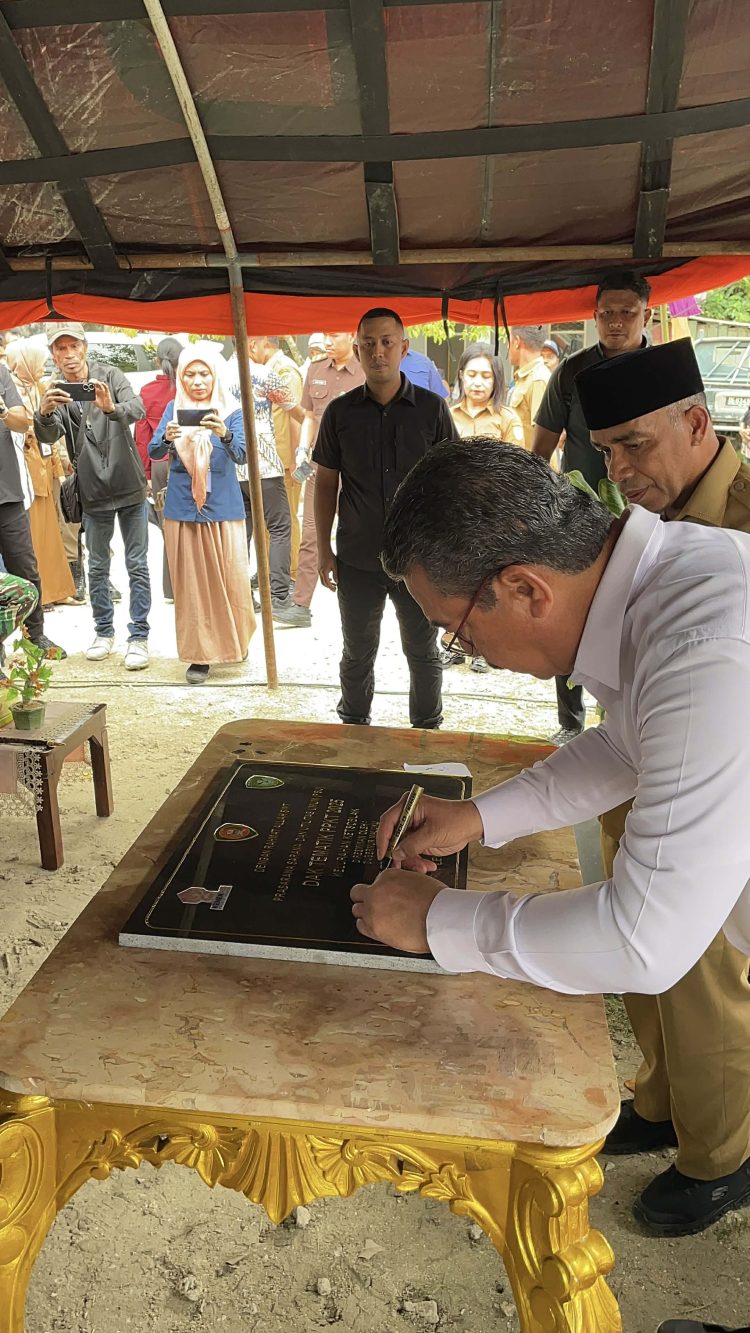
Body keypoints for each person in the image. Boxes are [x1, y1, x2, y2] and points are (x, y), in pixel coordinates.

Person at [350, 438, 750, 1233]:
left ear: (524, 587)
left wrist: (438, 921)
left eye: (458, 633)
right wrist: (480, 816)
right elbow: (630, 745)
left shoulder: (704, 645)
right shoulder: (667, 582)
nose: (472, 655)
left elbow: (644, 939)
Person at [570, 338, 750, 1234]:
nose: (621, 470)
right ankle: (661, 1099)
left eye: (634, 445)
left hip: (725, 782)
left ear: (695, 422)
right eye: (606, 452)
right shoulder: (646, 524)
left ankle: (722, 1155)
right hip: (637, 763)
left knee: (707, 964)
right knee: (638, 941)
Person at [313, 307, 458, 729]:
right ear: (357, 351)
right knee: (357, 651)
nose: (378, 352)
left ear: (403, 348)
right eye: (369, 344)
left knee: (423, 650)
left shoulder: (432, 410)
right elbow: (325, 485)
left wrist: (448, 550)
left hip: (419, 560)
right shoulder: (339, 414)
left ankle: (427, 733)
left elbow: (451, 481)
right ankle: (355, 729)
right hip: (357, 557)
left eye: (387, 342)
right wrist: (323, 549)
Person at [532, 268, 654, 745]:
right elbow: (540, 451)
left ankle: (622, 722)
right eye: (607, 314)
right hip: (579, 517)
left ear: (647, 311)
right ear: (595, 316)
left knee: (633, 617)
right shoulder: (572, 372)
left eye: (628, 313)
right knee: (572, 615)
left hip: (646, 517)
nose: (617, 323)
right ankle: (570, 723)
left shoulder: (664, 369)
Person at [35, 322, 150, 670]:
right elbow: (48, 436)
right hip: (93, 489)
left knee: (137, 564)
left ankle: (139, 636)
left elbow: (138, 408)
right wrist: (43, 413)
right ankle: (103, 631)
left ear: (84, 347)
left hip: (128, 483)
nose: (68, 355)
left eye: (73, 347)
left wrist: (110, 407)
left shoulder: (109, 375)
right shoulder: (56, 388)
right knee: (97, 566)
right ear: (53, 353)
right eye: (60, 349)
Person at [149, 342, 255, 683]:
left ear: (215, 375)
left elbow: (242, 454)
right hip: (183, 507)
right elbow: (153, 450)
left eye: (204, 373)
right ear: (180, 377)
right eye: (190, 374)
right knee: (192, 587)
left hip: (223, 506)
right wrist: (167, 439)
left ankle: (234, 641)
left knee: (231, 580)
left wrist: (223, 433)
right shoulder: (173, 408)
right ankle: (199, 656)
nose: (197, 381)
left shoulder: (231, 409)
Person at [445, 342, 525, 674]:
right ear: (460, 376)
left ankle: (483, 647)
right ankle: (452, 640)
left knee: (488, 581)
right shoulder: (446, 414)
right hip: (453, 512)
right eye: (472, 375)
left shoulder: (508, 419)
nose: (478, 383)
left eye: (486, 376)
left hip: (494, 514)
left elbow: (519, 467)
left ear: (497, 381)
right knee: (451, 577)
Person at [288, 331, 365, 628]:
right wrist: (302, 450)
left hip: (356, 469)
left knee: (355, 532)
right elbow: (309, 415)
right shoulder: (315, 368)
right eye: (324, 335)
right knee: (311, 532)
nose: (327, 341)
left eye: (334, 335)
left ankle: (357, 598)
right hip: (319, 466)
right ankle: (300, 604)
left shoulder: (365, 370)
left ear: (351, 334)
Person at [0, 346, 64, 659]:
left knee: (26, 567)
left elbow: (22, 421)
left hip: (7, 492)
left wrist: (1, 411)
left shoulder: (1, 374)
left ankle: (34, 635)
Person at [5, 340, 75, 608]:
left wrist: (62, 459)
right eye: (38, 361)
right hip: (25, 469)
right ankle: (39, 594)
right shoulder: (11, 390)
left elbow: (54, 429)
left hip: (46, 467)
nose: (43, 366)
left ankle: (58, 589)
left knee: (51, 531)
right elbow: (17, 428)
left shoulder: (40, 387)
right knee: (31, 535)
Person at [238, 336, 298, 625]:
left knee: (241, 533)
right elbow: (296, 409)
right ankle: (279, 597)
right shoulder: (264, 375)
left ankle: (243, 598)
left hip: (233, 467)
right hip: (265, 465)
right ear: (252, 345)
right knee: (280, 528)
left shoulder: (217, 374)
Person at [135, 337, 182, 603]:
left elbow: (142, 438)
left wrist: (147, 475)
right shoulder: (188, 388)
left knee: (169, 528)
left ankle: (172, 587)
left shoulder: (148, 391)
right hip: (189, 460)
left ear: (156, 360)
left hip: (160, 462)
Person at [266, 336, 304, 579]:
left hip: (287, 460)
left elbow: (297, 416)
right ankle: (276, 569)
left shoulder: (285, 370)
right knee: (275, 518)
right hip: (273, 461)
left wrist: (296, 462)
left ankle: (291, 570)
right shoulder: (269, 371)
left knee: (287, 516)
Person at [507, 326, 551, 450]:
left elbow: (543, 438)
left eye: (508, 341)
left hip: (530, 466)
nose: (507, 347)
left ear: (516, 341)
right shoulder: (525, 378)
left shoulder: (538, 380)